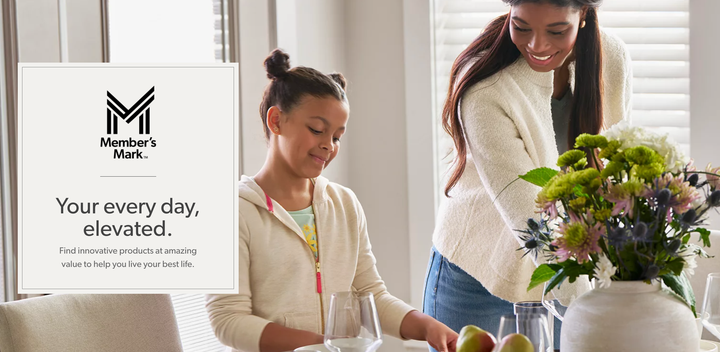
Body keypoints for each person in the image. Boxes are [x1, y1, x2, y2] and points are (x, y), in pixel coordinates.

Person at [206, 49, 458, 352]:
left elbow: (371, 294)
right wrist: (325, 347)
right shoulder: (231, 213)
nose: (328, 145)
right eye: (317, 130)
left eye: (337, 136)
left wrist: (426, 325)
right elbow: (229, 321)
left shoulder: (344, 204)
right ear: (276, 121)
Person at [423, 0, 632, 347]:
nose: (537, 45)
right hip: (480, 273)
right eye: (521, 27)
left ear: (583, 16)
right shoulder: (487, 89)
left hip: (574, 265)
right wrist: (591, 308)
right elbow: (530, 216)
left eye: (556, 30)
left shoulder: (611, 56)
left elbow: (611, 164)